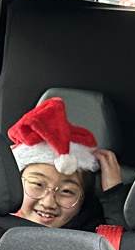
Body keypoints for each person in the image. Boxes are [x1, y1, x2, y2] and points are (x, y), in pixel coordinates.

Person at [7, 97, 122, 230]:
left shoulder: (90, 235)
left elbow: (118, 239)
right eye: (37, 184)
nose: (49, 203)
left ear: (83, 200)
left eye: (67, 191)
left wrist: (113, 197)